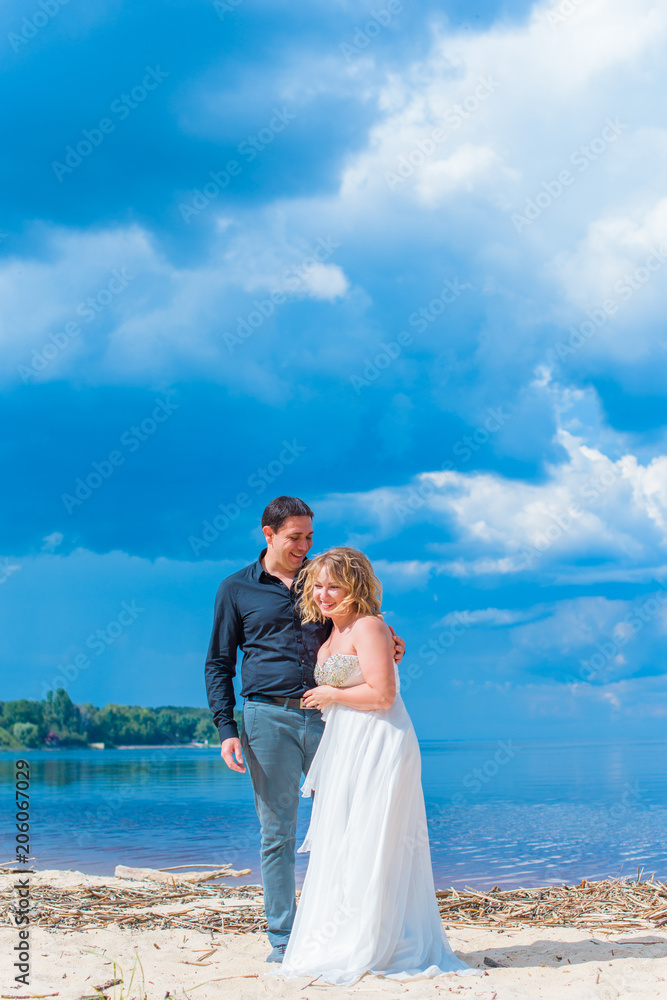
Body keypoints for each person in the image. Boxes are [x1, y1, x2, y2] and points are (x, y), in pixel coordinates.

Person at [204, 497, 405, 963]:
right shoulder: (235, 589)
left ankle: (348, 927)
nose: (304, 546)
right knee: (277, 832)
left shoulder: (324, 579)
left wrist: (391, 641)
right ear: (268, 534)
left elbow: (364, 621)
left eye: (309, 536)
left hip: (333, 717)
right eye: (295, 537)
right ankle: (283, 938)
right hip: (264, 718)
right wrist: (225, 729)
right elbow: (218, 663)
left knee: (349, 821)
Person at [271, 546, 481, 986]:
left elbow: (383, 695)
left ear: (355, 586)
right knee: (348, 840)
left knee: (376, 839)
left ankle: (380, 940)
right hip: (348, 744)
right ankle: (347, 935)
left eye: (334, 585)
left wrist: (332, 694)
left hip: (381, 741)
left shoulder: (368, 626)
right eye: (319, 585)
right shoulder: (330, 634)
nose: (324, 594)